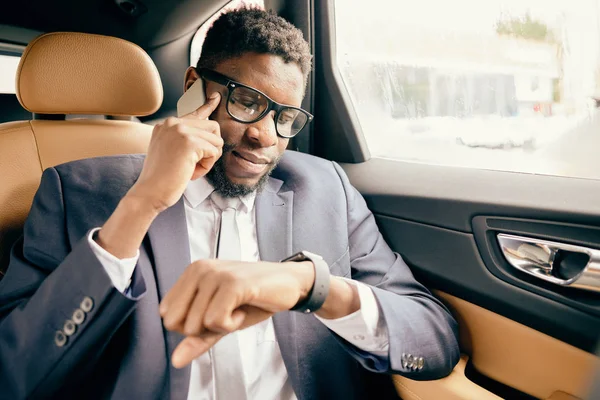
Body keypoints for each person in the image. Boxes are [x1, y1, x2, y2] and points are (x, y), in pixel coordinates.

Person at [0, 8, 459, 400]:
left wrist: (311, 286)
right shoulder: (76, 190)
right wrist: (141, 204)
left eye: (285, 117)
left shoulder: (325, 188)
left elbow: (433, 339)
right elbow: (16, 375)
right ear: (195, 86)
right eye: (246, 102)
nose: (265, 134)